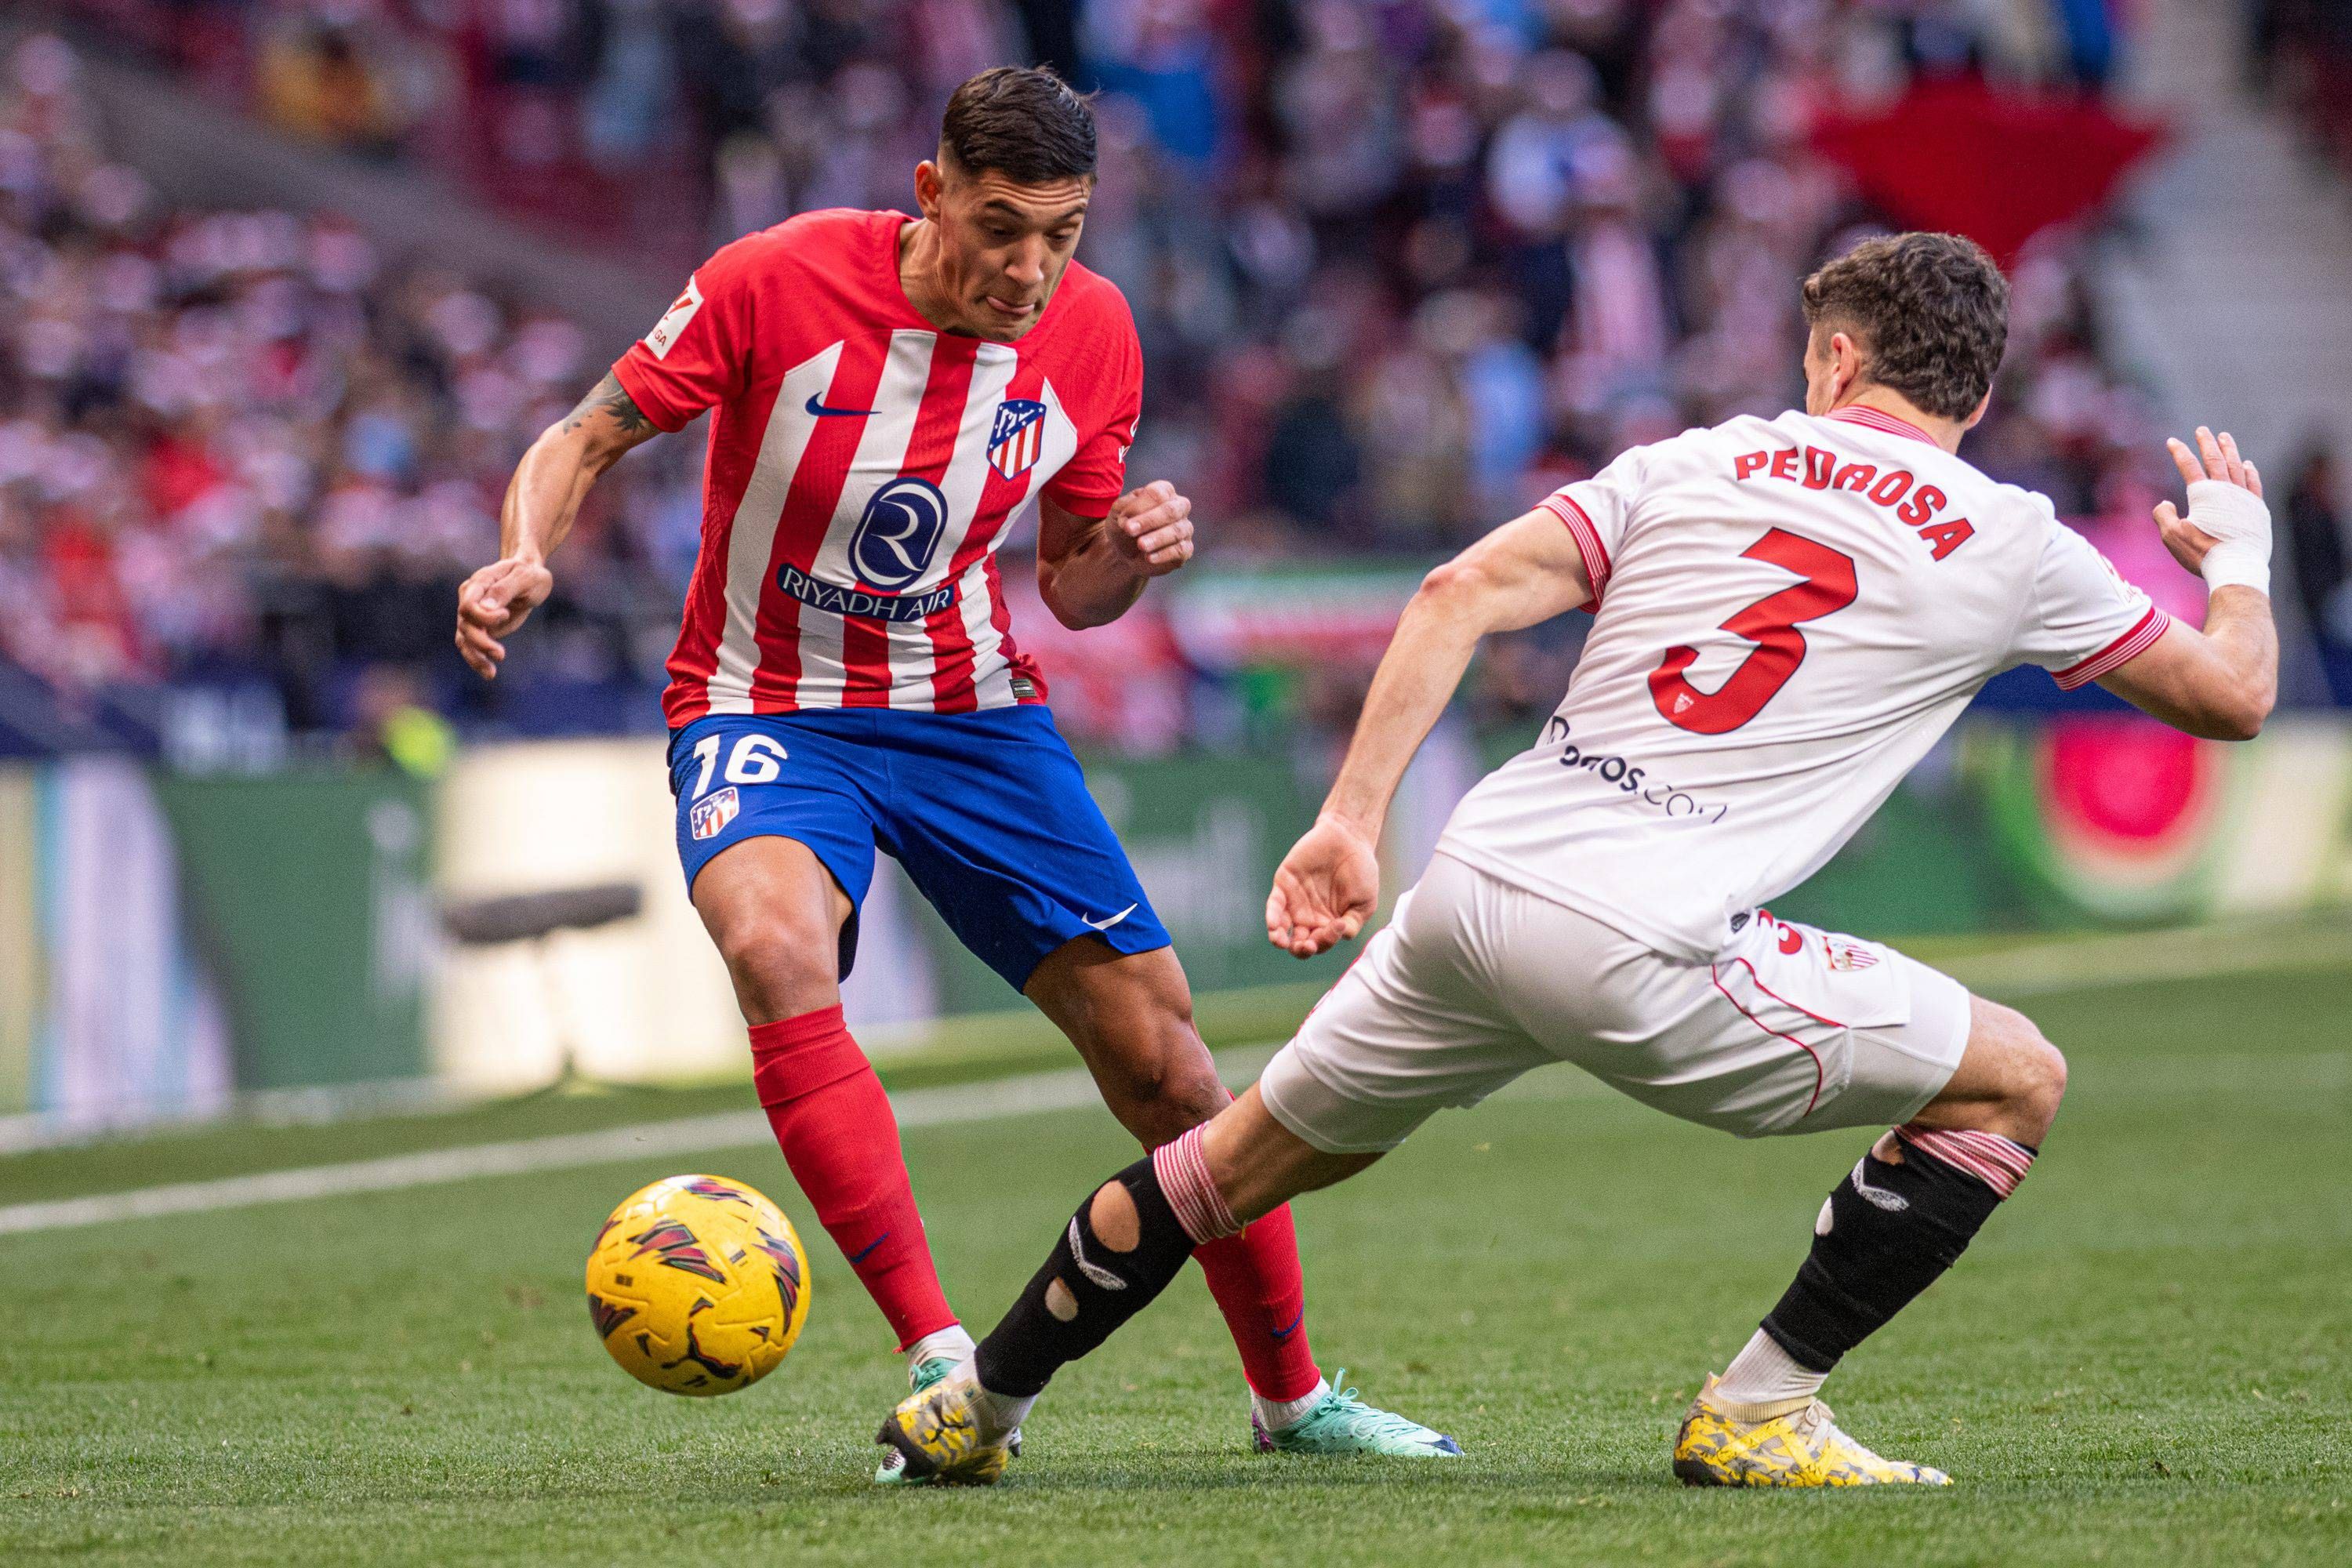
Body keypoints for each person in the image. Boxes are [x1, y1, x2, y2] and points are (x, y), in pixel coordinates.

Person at [876, 231, 2280, 1487]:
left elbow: (1455, 593)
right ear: (1974, 396)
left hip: (1476, 890)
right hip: (1647, 941)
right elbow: (2233, 699)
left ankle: (978, 1407)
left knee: (1218, 1168)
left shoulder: (1700, 456)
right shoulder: (2016, 541)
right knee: (2018, 1078)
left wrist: (1351, 821)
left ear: (1839, 357)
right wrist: (2239, 557)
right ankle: (1762, 1407)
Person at [452, 66, 1449, 1481]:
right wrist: (523, 552)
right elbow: (583, 434)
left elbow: (1072, 585)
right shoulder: (775, 280)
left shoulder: (1095, 335)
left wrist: (1132, 555)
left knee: (1168, 1065)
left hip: (971, 712)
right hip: (765, 703)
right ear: (932, 195)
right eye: (1002, 227)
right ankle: (945, 1368)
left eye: (1065, 231)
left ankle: (1294, 1400)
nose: (1032, 268)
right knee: (773, 944)